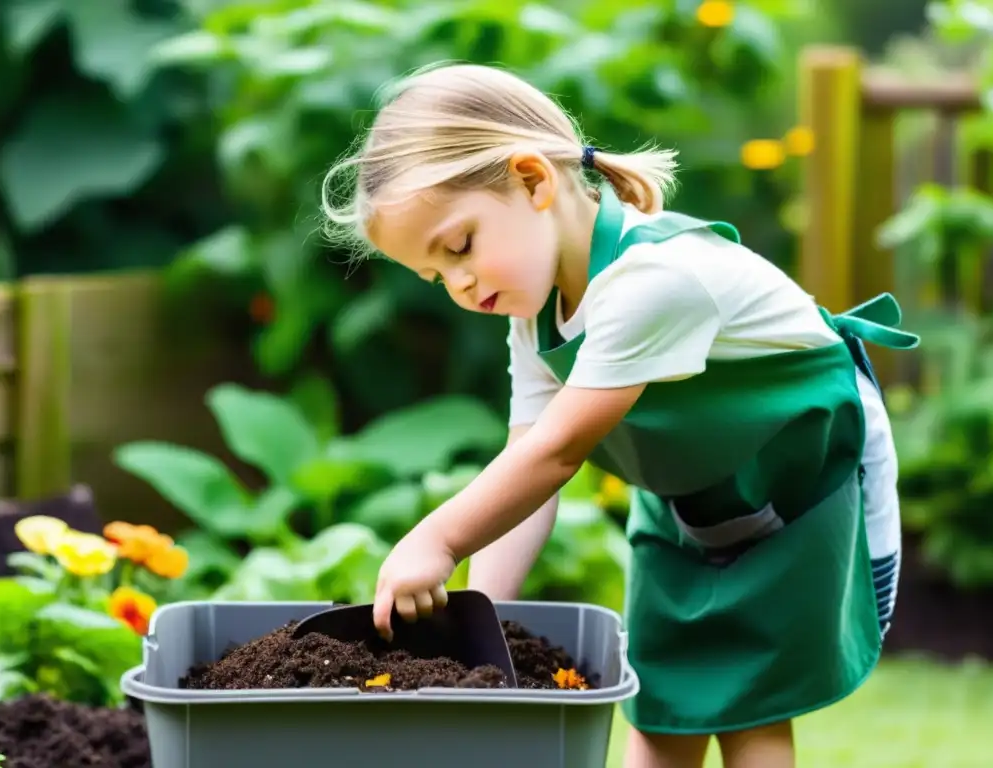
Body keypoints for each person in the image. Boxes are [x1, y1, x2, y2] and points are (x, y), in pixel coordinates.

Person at [319, 61, 919, 768]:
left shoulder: (653, 283)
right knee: (660, 702)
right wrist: (476, 631)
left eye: (459, 247)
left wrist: (437, 540)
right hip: (688, 496)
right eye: (435, 274)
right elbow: (528, 464)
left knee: (752, 707)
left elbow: (559, 452)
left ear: (533, 180)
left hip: (794, 488)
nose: (459, 283)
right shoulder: (534, 312)